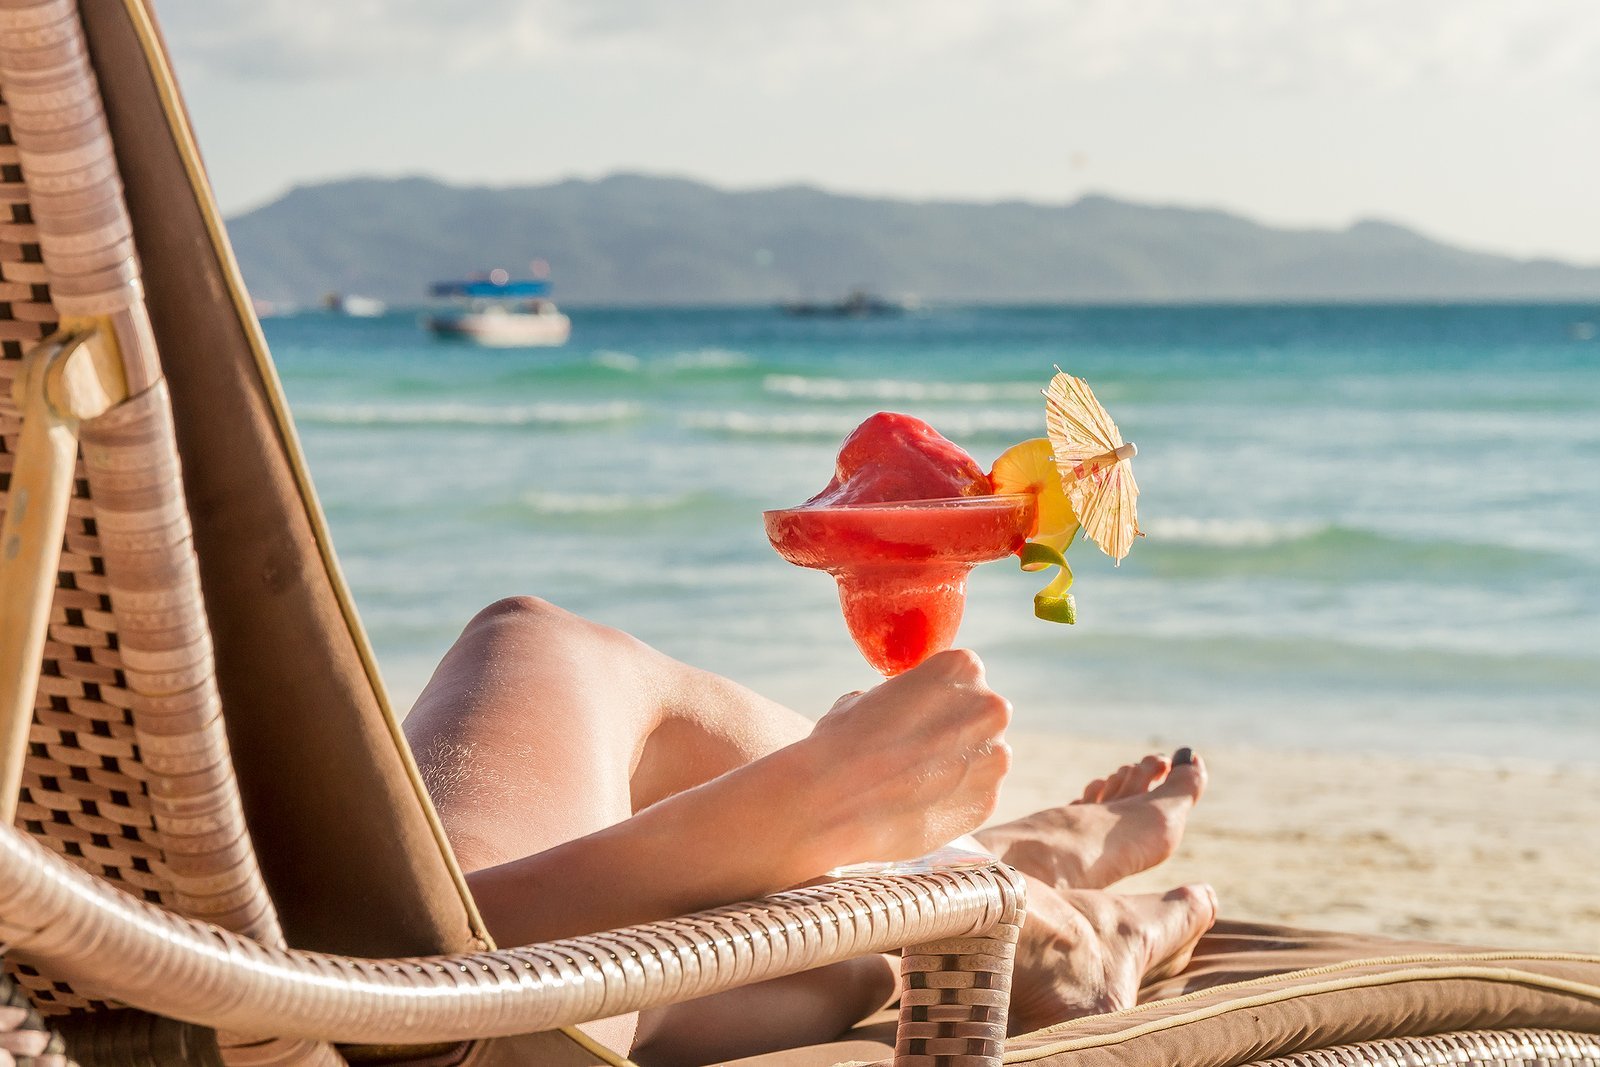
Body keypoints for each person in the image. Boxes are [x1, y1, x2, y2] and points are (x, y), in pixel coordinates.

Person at [404, 597, 1218, 1066]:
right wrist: (743, 829)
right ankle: (1023, 906)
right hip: (430, 1007)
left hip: (428, 1011)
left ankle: (968, 871)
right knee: (535, 640)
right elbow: (421, 963)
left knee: (653, 992)